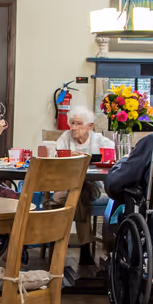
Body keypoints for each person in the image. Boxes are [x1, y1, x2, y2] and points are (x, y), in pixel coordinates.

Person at [52, 106, 111, 281]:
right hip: (67, 185)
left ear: (90, 126)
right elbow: (56, 156)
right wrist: (71, 154)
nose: (74, 127)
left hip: (91, 185)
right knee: (76, 194)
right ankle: (85, 247)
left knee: (75, 193)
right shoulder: (65, 137)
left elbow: (111, 153)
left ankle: (59, 247)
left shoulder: (99, 139)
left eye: (78, 124)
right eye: (72, 123)